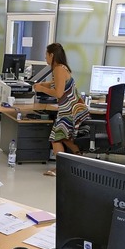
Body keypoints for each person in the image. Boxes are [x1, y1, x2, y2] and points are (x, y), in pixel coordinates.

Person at [33, 43, 90, 177]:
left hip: (68, 110)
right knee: (63, 137)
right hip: (73, 107)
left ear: (52, 55)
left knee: (56, 138)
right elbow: (57, 83)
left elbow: (58, 93)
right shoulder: (63, 68)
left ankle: (61, 169)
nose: (45, 58)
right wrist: (42, 83)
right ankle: (79, 157)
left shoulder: (58, 69)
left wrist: (41, 89)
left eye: (46, 55)